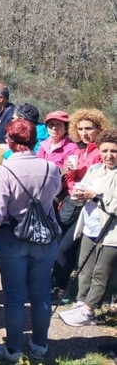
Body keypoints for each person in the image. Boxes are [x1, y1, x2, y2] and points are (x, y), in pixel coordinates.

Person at [0, 119, 62, 362]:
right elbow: (54, 194)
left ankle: (12, 350)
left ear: (10, 141)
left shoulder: (4, 171)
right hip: (44, 236)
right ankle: (40, 346)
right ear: (35, 142)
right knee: (41, 293)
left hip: (11, 236)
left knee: (14, 296)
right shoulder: (51, 168)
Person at [58, 129, 117, 328]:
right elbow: (82, 192)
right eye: (105, 150)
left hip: (111, 234)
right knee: (84, 268)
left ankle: (90, 309)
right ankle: (81, 302)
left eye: (114, 151)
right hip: (90, 227)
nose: (109, 155)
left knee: (101, 272)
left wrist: (97, 197)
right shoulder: (95, 169)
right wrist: (78, 196)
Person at [53, 109, 111, 300]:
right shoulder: (80, 150)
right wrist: (69, 173)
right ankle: (61, 287)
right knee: (62, 244)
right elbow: (71, 180)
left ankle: (64, 289)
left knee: (67, 247)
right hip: (73, 201)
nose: (84, 133)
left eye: (89, 129)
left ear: (99, 129)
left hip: (90, 205)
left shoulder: (101, 152)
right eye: (80, 129)